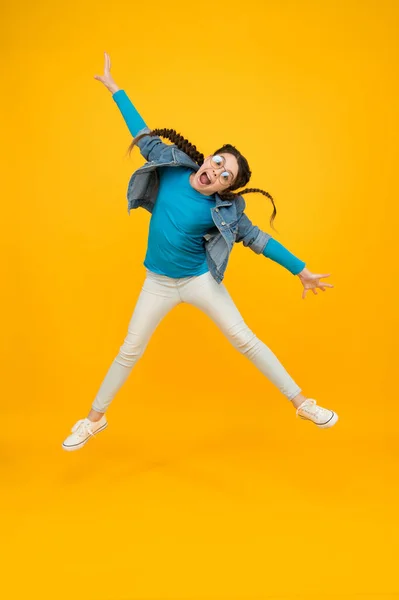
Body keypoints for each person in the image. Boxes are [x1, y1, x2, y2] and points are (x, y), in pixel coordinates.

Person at [62, 53, 338, 452]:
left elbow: (259, 239)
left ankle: (303, 404)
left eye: (226, 177)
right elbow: (143, 134)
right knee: (129, 350)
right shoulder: (172, 165)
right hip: (157, 282)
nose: (217, 173)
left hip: (197, 281)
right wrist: (116, 90)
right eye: (219, 163)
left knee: (244, 339)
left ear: (224, 188)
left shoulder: (222, 211)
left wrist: (301, 270)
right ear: (208, 157)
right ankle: (94, 420)